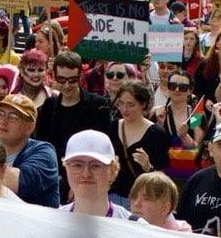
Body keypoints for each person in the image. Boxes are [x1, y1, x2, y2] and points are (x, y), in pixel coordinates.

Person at [35, 51, 112, 200]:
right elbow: (43, 144)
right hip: (52, 179)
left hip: (86, 180)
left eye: (72, 80)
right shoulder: (49, 105)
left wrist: (79, 184)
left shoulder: (98, 105)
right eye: (61, 80)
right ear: (54, 76)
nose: (67, 85)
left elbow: (104, 149)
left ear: (81, 77)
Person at [110, 80, 169, 206]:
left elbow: (161, 177)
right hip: (111, 196)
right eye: (121, 103)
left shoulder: (156, 133)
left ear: (143, 104)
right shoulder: (113, 126)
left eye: (131, 105)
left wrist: (148, 166)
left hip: (139, 200)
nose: (124, 109)